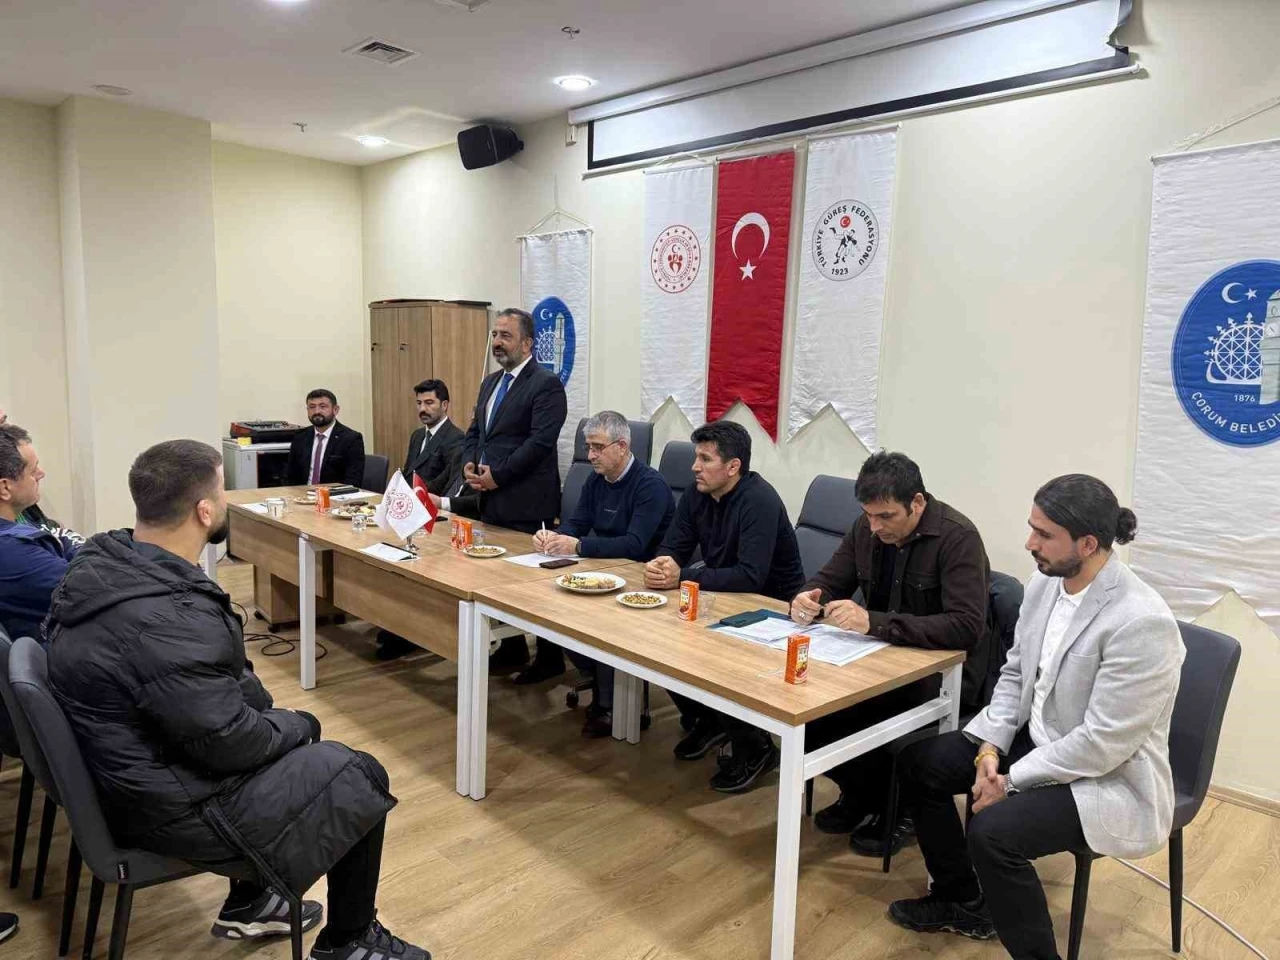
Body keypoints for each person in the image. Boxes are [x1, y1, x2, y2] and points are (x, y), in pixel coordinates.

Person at [47, 440, 430, 960]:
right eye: (223, 490)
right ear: (205, 511)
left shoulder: (108, 564)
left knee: (289, 740)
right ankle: (350, 942)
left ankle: (250, 904)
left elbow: (211, 705)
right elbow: (230, 743)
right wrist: (299, 723)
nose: (225, 500)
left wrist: (269, 716)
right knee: (355, 771)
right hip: (169, 808)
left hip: (135, 778)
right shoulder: (166, 619)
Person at [887, 475, 1183, 960]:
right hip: (1038, 738)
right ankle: (963, 900)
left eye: (1044, 534)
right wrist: (989, 746)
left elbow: (1103, 744)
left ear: (1088, 544)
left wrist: (1010, 780)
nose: (1029, 543)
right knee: (920, 765)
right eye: (1032, 528)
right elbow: (1016, 674)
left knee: (993, 835)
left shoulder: (1141, 621)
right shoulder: (1044, 584)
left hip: (1104, 774)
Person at [791, 452, 990, 856]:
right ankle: (864, 794)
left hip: (938, 673)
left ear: (917, 502)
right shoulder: (865, 529)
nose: (875, 526)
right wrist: (807, 598)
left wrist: (875, 622)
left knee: (860, 715)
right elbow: (828, 580)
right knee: (808, 714)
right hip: (876, 661)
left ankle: (898, 807)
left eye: (886, 516)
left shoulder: (958, 537)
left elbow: (966, 626)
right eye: (868, 515)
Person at [644, 420, 805, 793]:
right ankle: (710, 720)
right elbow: (674, 545)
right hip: (724, 600)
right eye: (696, 457)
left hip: (773, 611)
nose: (694, 467)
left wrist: (683, 576)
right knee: (659, 641)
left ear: (733, 467)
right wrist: (663, 564)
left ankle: (758, 749)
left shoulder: (759, 500)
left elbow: (751, 577)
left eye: (705, 459)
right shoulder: (698, 493)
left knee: (711, 656)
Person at [532, 411, 676, 735]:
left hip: (644, 581)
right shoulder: (596, 480)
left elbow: (635, 546)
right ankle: (601, 681)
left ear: (622, 446)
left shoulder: (650, 485)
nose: (591, 455)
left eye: (598, 447)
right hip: (605, 573)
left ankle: (611, 705)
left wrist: (579, 546)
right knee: (557, 613)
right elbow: (577, 523)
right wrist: (554, 537)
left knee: (600, 624)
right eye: (588, 447)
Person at [458, 308, 567, 681]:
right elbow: (476, 432)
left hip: (527, 500)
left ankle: (550, 658)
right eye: (494, 335)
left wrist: (498, 476)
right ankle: (512, 647)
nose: (497, 342)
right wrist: (469, 464)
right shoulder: (490, 383)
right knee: (497, 579)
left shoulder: (546, 384)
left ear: (527, 343)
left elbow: (540, 442)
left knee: (533, 585)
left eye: (505, 335)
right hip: (491, 498)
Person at [0, 423, 84, 645]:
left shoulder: (20, 533)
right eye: (33, 470)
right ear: (5, 488)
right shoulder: (13, 551)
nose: (41, 473)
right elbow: (93, 586)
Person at [287, 389, 366, 488]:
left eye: (323, 406)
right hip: (302, 494)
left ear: (335, 409)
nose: (317, 411)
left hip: (334, 494)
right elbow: (290, 476)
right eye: (312, 407)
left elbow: (353, 481)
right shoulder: (300, 436)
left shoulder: (351, 439)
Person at [401, 379, 463, 488]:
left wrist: (415, 493)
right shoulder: (417, 435)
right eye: (419, 403)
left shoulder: (456, 438)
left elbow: (446, 483)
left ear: (444, 405)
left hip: (430, 497)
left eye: (429, 403)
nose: (422, 409)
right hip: (409, 496)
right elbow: (408, 473)